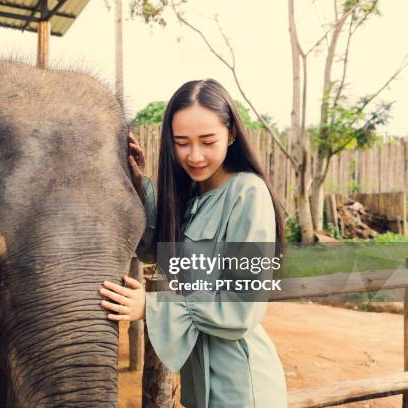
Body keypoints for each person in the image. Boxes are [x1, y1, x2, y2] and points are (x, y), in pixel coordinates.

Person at [99, 79, 287, 407]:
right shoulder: (189, 195)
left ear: (231, 135)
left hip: (242, 388)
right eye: (182, 142)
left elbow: (243, 306)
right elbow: (154, 250)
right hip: (201, 387)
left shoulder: (247, 193)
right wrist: (138, 183)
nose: (195, 155)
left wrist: (150, 307)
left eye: (207, 141)